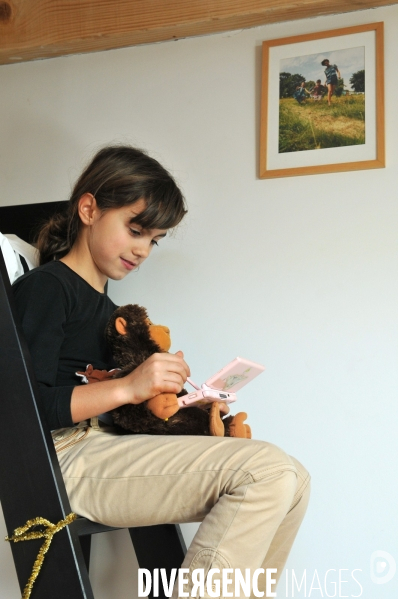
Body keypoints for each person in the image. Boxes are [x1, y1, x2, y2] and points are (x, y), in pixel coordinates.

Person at [13, 145, 310, 598]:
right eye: (136, 230)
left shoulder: (113, 314)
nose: (144, 250)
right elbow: (23, 412)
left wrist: (183, 404)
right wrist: (129, 386)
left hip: (111, 447)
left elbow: (127, 411)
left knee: (294, 477)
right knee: (266, 470)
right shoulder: (47, 288)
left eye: (154, 239)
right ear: (89, 208)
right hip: (64, 458)